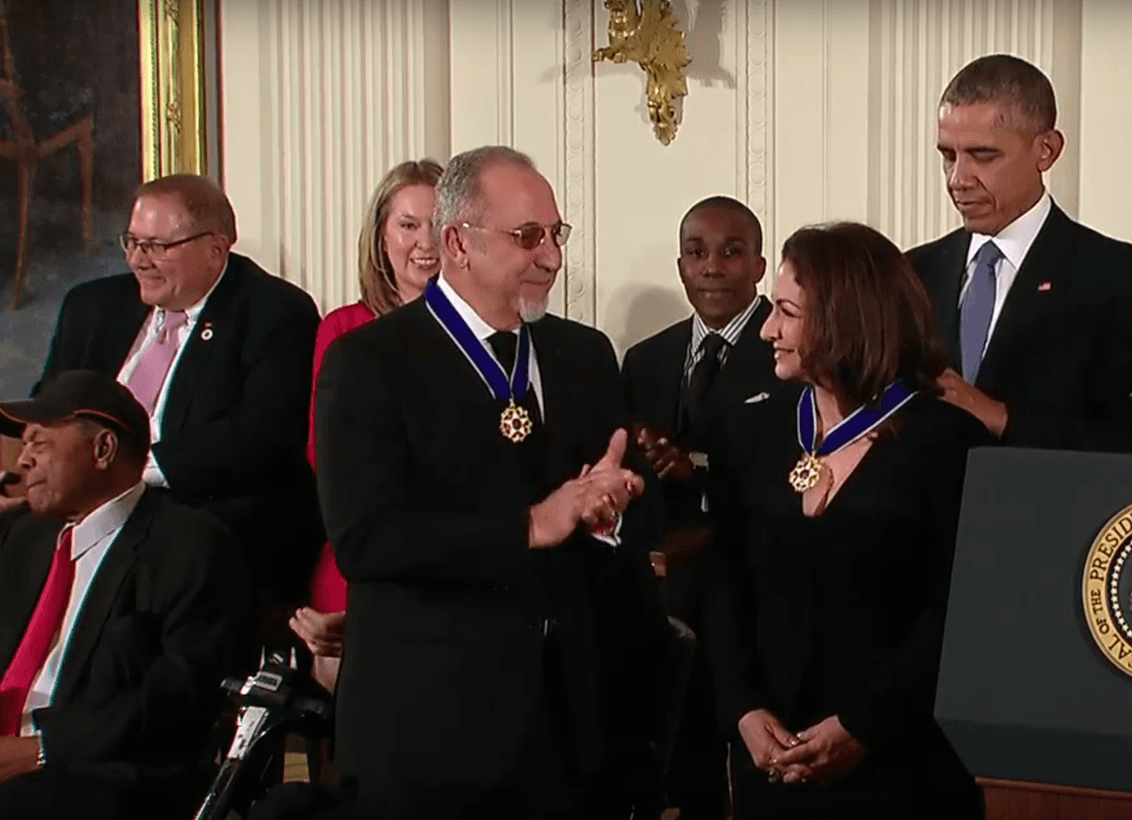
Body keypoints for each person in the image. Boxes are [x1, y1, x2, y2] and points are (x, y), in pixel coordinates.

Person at [312, 146, 667, 819]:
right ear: (457, 243)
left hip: (570, 732)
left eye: (555, 235)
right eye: (527, 237)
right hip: (428, 735)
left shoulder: (583, 355)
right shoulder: (369, 363)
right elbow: (368, 539)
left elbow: (630, 508)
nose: (552, 258)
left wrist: (612, 512)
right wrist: (531, 526)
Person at [703, 223, 989, 818]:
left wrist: (863, 725)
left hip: (899, 761)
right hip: (771, 759)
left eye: (786, 312)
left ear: (845, 318)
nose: (766, 330)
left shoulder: (948, 443)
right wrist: (744, 711)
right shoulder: (749, 428)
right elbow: (724, 579)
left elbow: (956, 612)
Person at [37, 174, 323, 608]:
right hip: (86, 511)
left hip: (199, 519)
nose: (137, 260)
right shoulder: (92, 307)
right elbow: (48, 406)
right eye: (131, 242)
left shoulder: (274, 313)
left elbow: (260, 437)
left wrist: (128, 472)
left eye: (156, 246)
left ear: (215, 247)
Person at [0, 370, 253, 820]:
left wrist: (42, 749)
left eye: (39, 443)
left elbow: (181, 699)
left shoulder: (190, 544)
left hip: (105, 774)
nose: (22, 461)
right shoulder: (25, 539)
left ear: (102, 450)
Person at [907, 54, 1132, 455]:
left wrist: (998, 416)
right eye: (948, 155)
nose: (957, 179)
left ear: (1046, 151)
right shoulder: (910, 272)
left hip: (1048, 512)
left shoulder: (1120, 279)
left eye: (983, 156)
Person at [620, 195, 776, 820]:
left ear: (760, 265)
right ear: (680, 266)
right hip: (666, 599)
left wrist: (702, 470)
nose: (712, 266)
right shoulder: (646, 359)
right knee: (680, 774)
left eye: (731, 252)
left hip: (755, 596)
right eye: (696, 253)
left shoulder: (790, 349)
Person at [292, 158, 444, 692]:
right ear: (381, 237)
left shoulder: (488, 328)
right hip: (366, 534)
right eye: (408, 225)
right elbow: (322, 454)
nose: (426, 241)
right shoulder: (343, 332)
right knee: (346, 673)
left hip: (453, 538)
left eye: (437, 221)